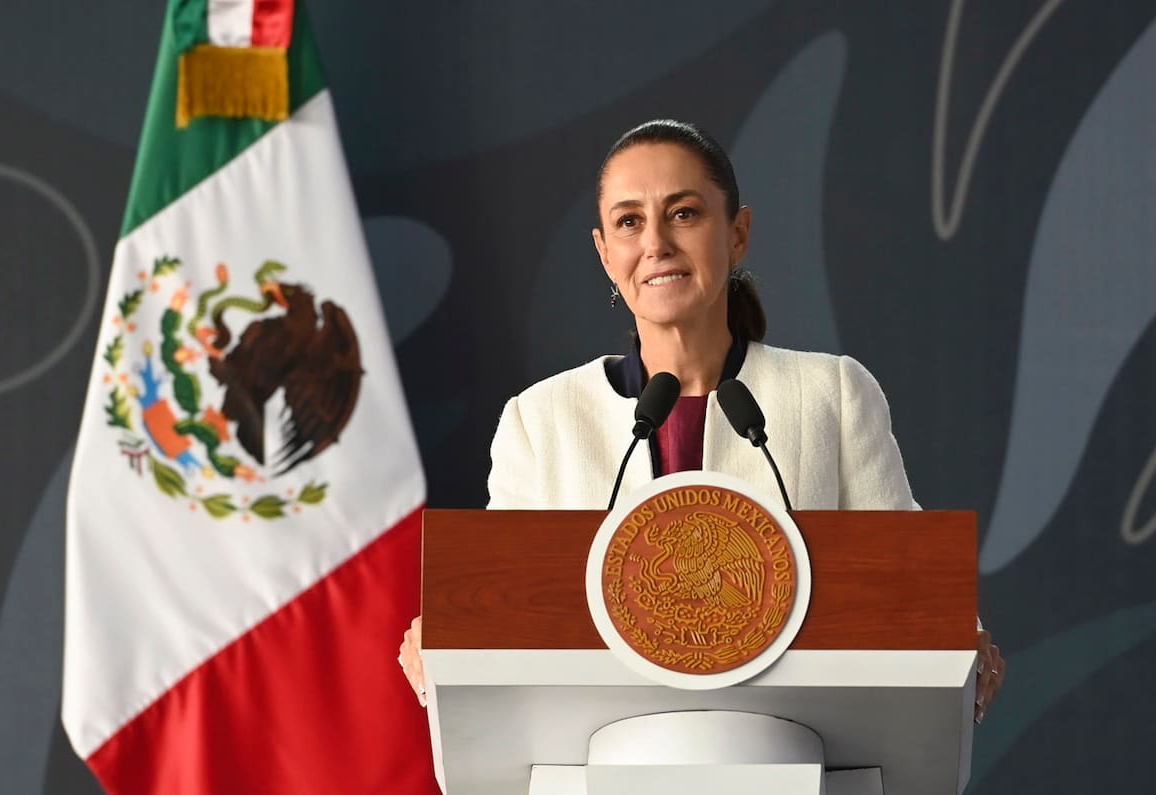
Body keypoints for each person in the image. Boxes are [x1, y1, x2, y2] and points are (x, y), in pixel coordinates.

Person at [399, 119, 1004, 722]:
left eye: (684, 213)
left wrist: (958, 637)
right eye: (629, 221)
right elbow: (499, 603)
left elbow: (906, 578)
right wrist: (445, 635)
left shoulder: (832, 393)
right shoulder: (541, 419)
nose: (656, 242)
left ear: (738, 233)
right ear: (605, 253)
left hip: (797, 753)